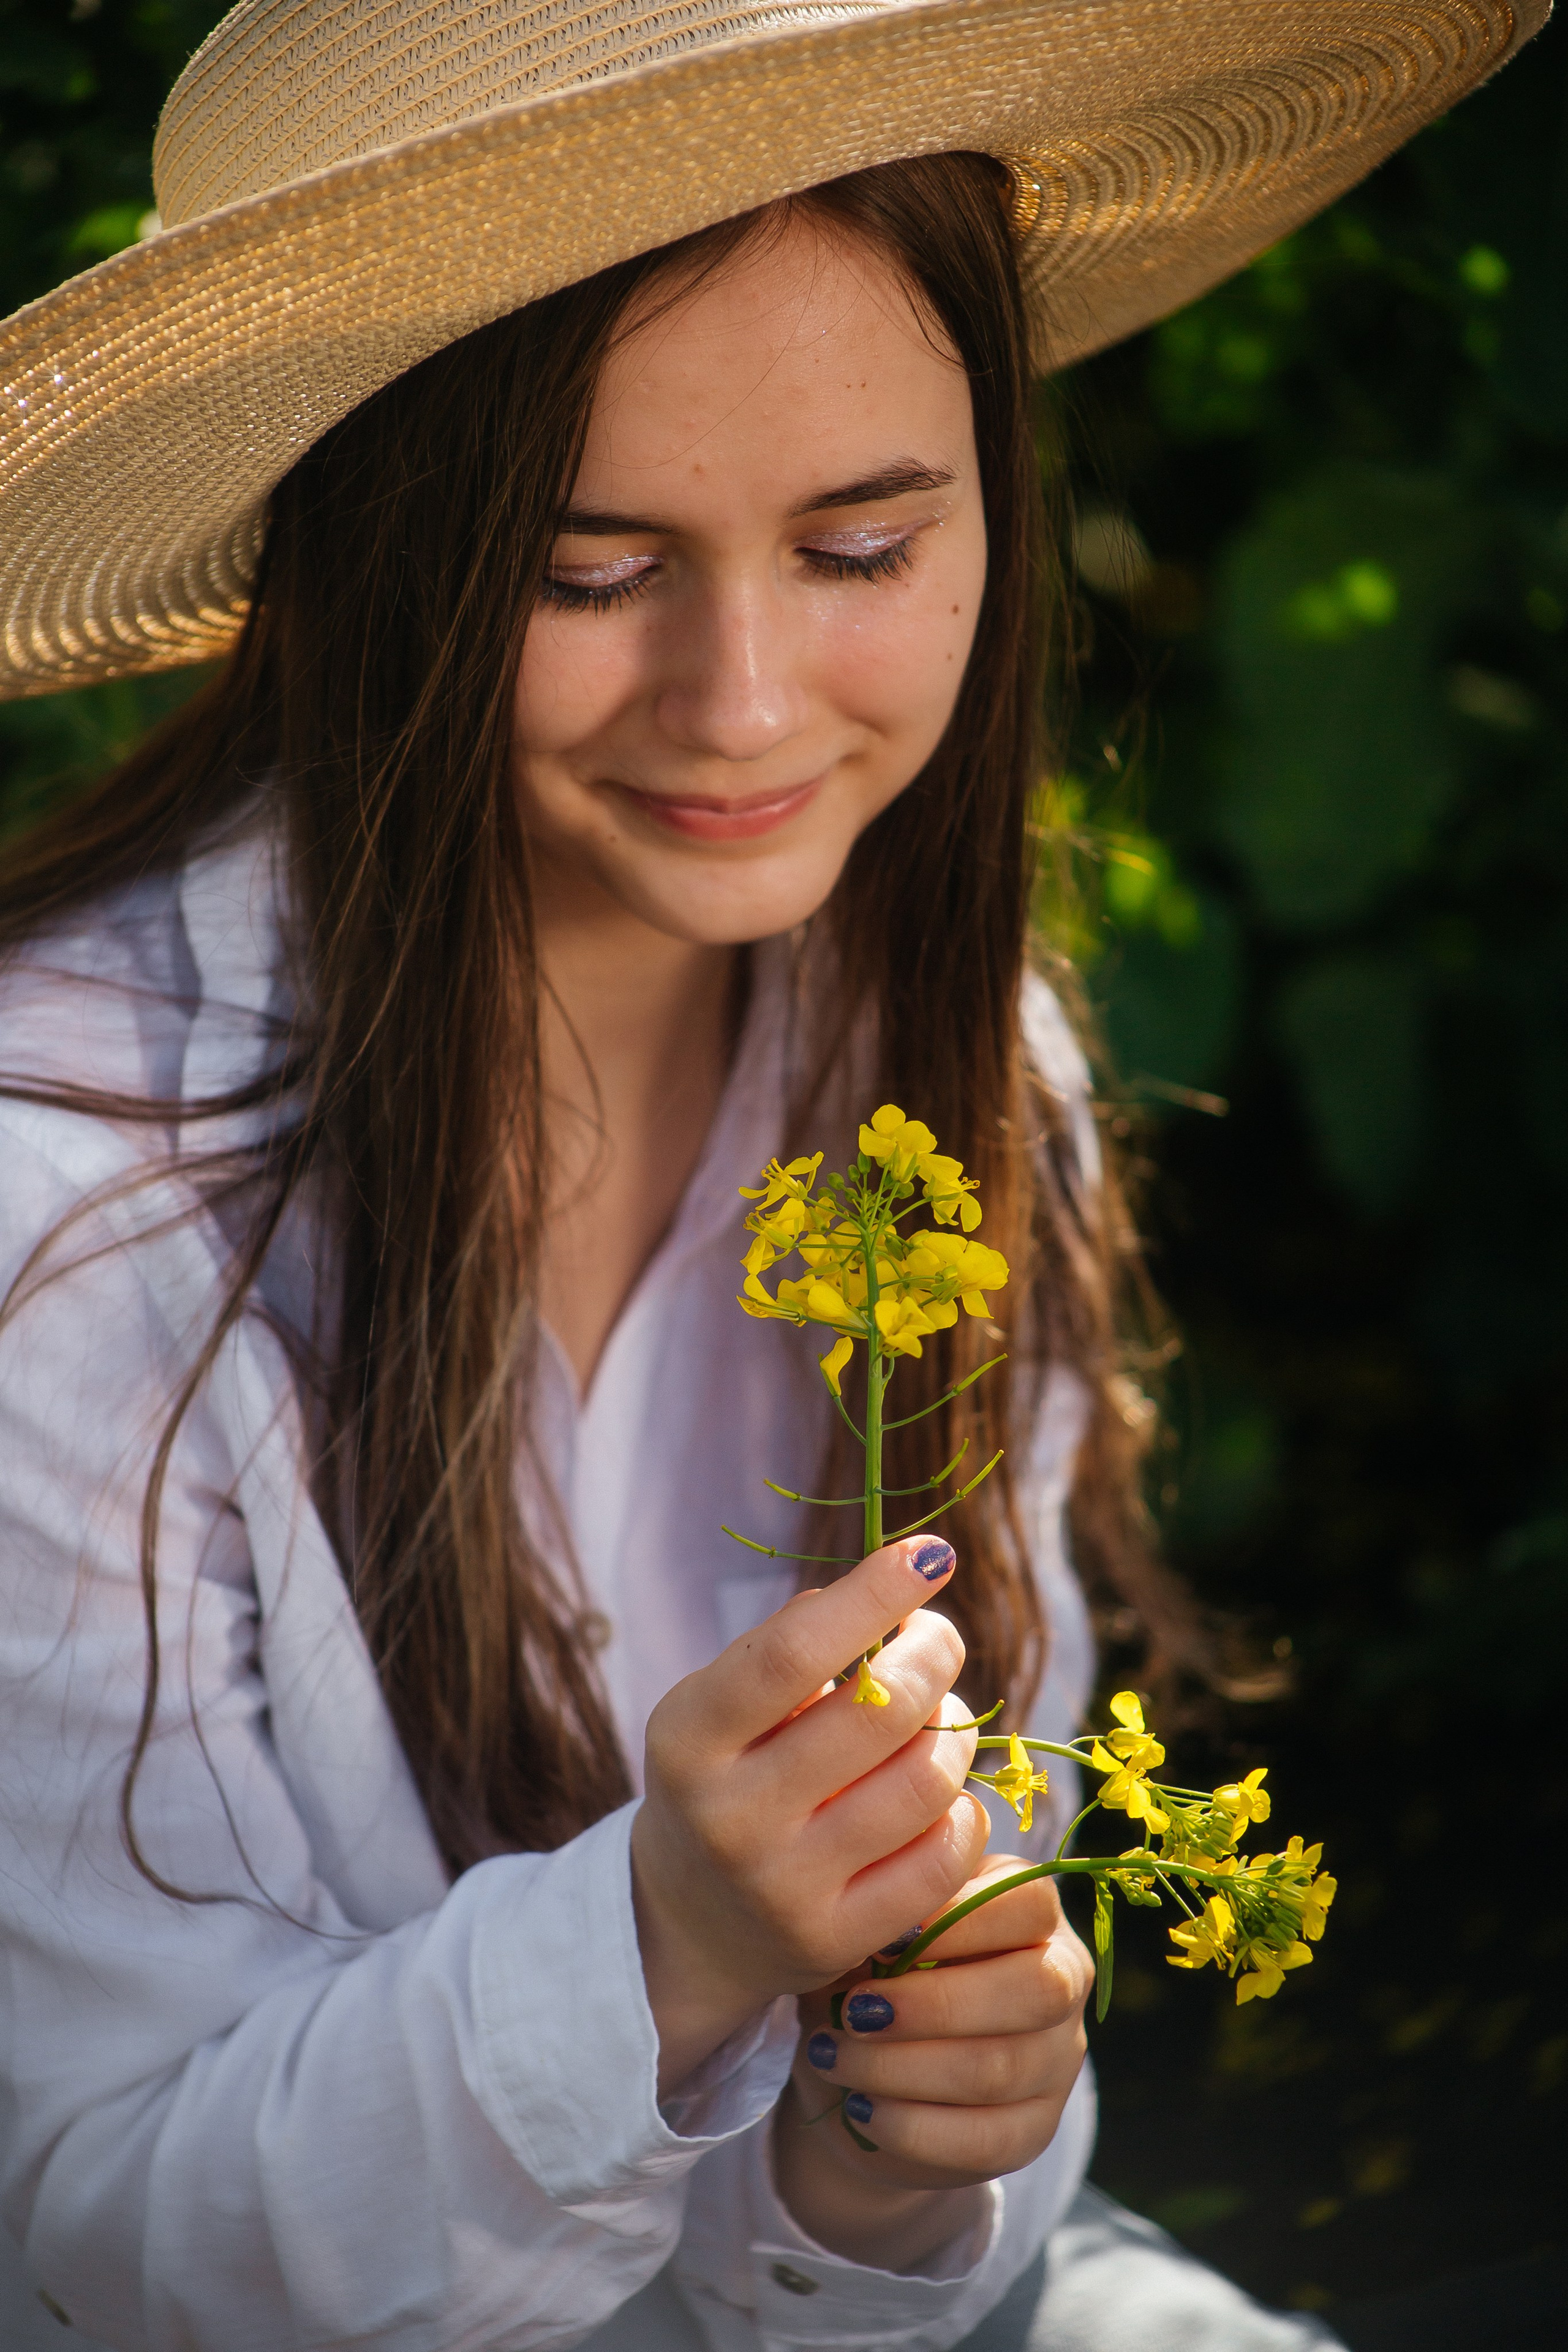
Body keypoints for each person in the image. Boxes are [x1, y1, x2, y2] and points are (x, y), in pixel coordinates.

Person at [0, 4, 1544, 2348]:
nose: (741, 705)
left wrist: (890, 2143)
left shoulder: (948, 1078)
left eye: (860, 542)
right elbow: (97, 2237)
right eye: (591, 569)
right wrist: (666, 1947)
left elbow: (915, 2230)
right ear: (353, 565)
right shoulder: (72, 1212)